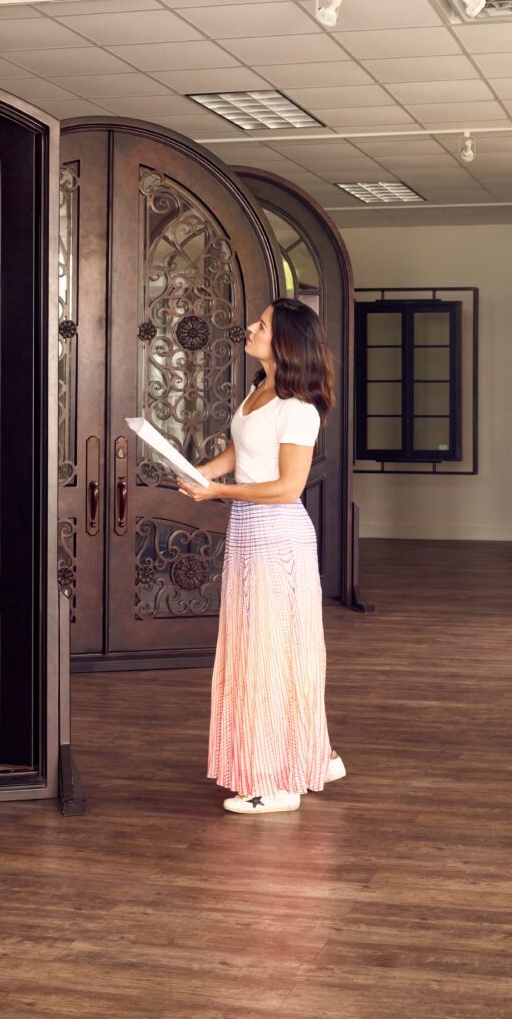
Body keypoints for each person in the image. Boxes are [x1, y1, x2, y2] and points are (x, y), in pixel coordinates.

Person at [177, 298, 346, 814]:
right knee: (260, 652)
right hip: (250, 532)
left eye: (262, 325)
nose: (250, 328)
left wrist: (217, 494)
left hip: (277, 539)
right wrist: (203, 474)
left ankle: (278, 785)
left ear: (285, 341)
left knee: (272, 657)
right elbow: (242, 453)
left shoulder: (298, 407)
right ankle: (315, 755)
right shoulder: (259, 388)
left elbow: (288, 487)